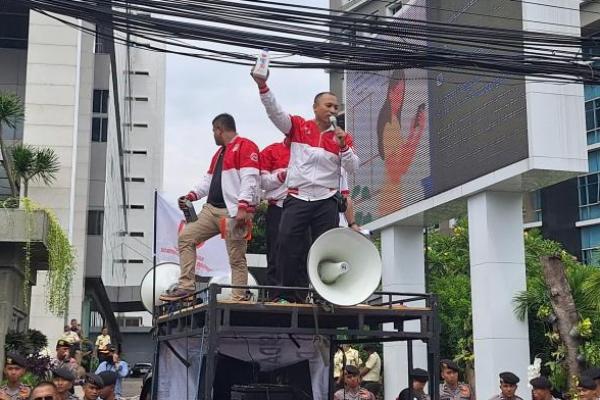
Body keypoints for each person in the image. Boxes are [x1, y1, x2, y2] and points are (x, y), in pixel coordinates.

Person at [253, 71, 359, 303]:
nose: (332, 110)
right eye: (328, 105)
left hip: (326, 199)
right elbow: (275, 112)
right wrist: (263, 86)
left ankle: (322, 295)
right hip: (298, 197)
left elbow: (352, 167)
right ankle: (284, 294)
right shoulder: (299, 126)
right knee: (286, 243)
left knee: (324, 248)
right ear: (315, 107)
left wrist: (343, 146)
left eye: (336, 106)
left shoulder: (343, 137)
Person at [160, 113, 260, 302]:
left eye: (213, 131)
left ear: (219, 129)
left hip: (233, 212)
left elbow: (251, 178)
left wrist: (243, 206)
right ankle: (186, 287)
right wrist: (191, 195)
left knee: (236, 256)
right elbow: (208, 180)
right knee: (186, 237)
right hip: (212, 209)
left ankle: (239, 295)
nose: (213, 135)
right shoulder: (219, 153)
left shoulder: (246, 146)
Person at [376, 69, 427, 215]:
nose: (400, 98)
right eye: (397, 93)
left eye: (402, 94)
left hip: (395, 197)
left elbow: (402, 166)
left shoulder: (395, 121)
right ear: (389, 93)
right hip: (389, 199)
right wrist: (415, 135)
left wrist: (414, 132)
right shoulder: (388, 124)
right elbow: (397, 172)